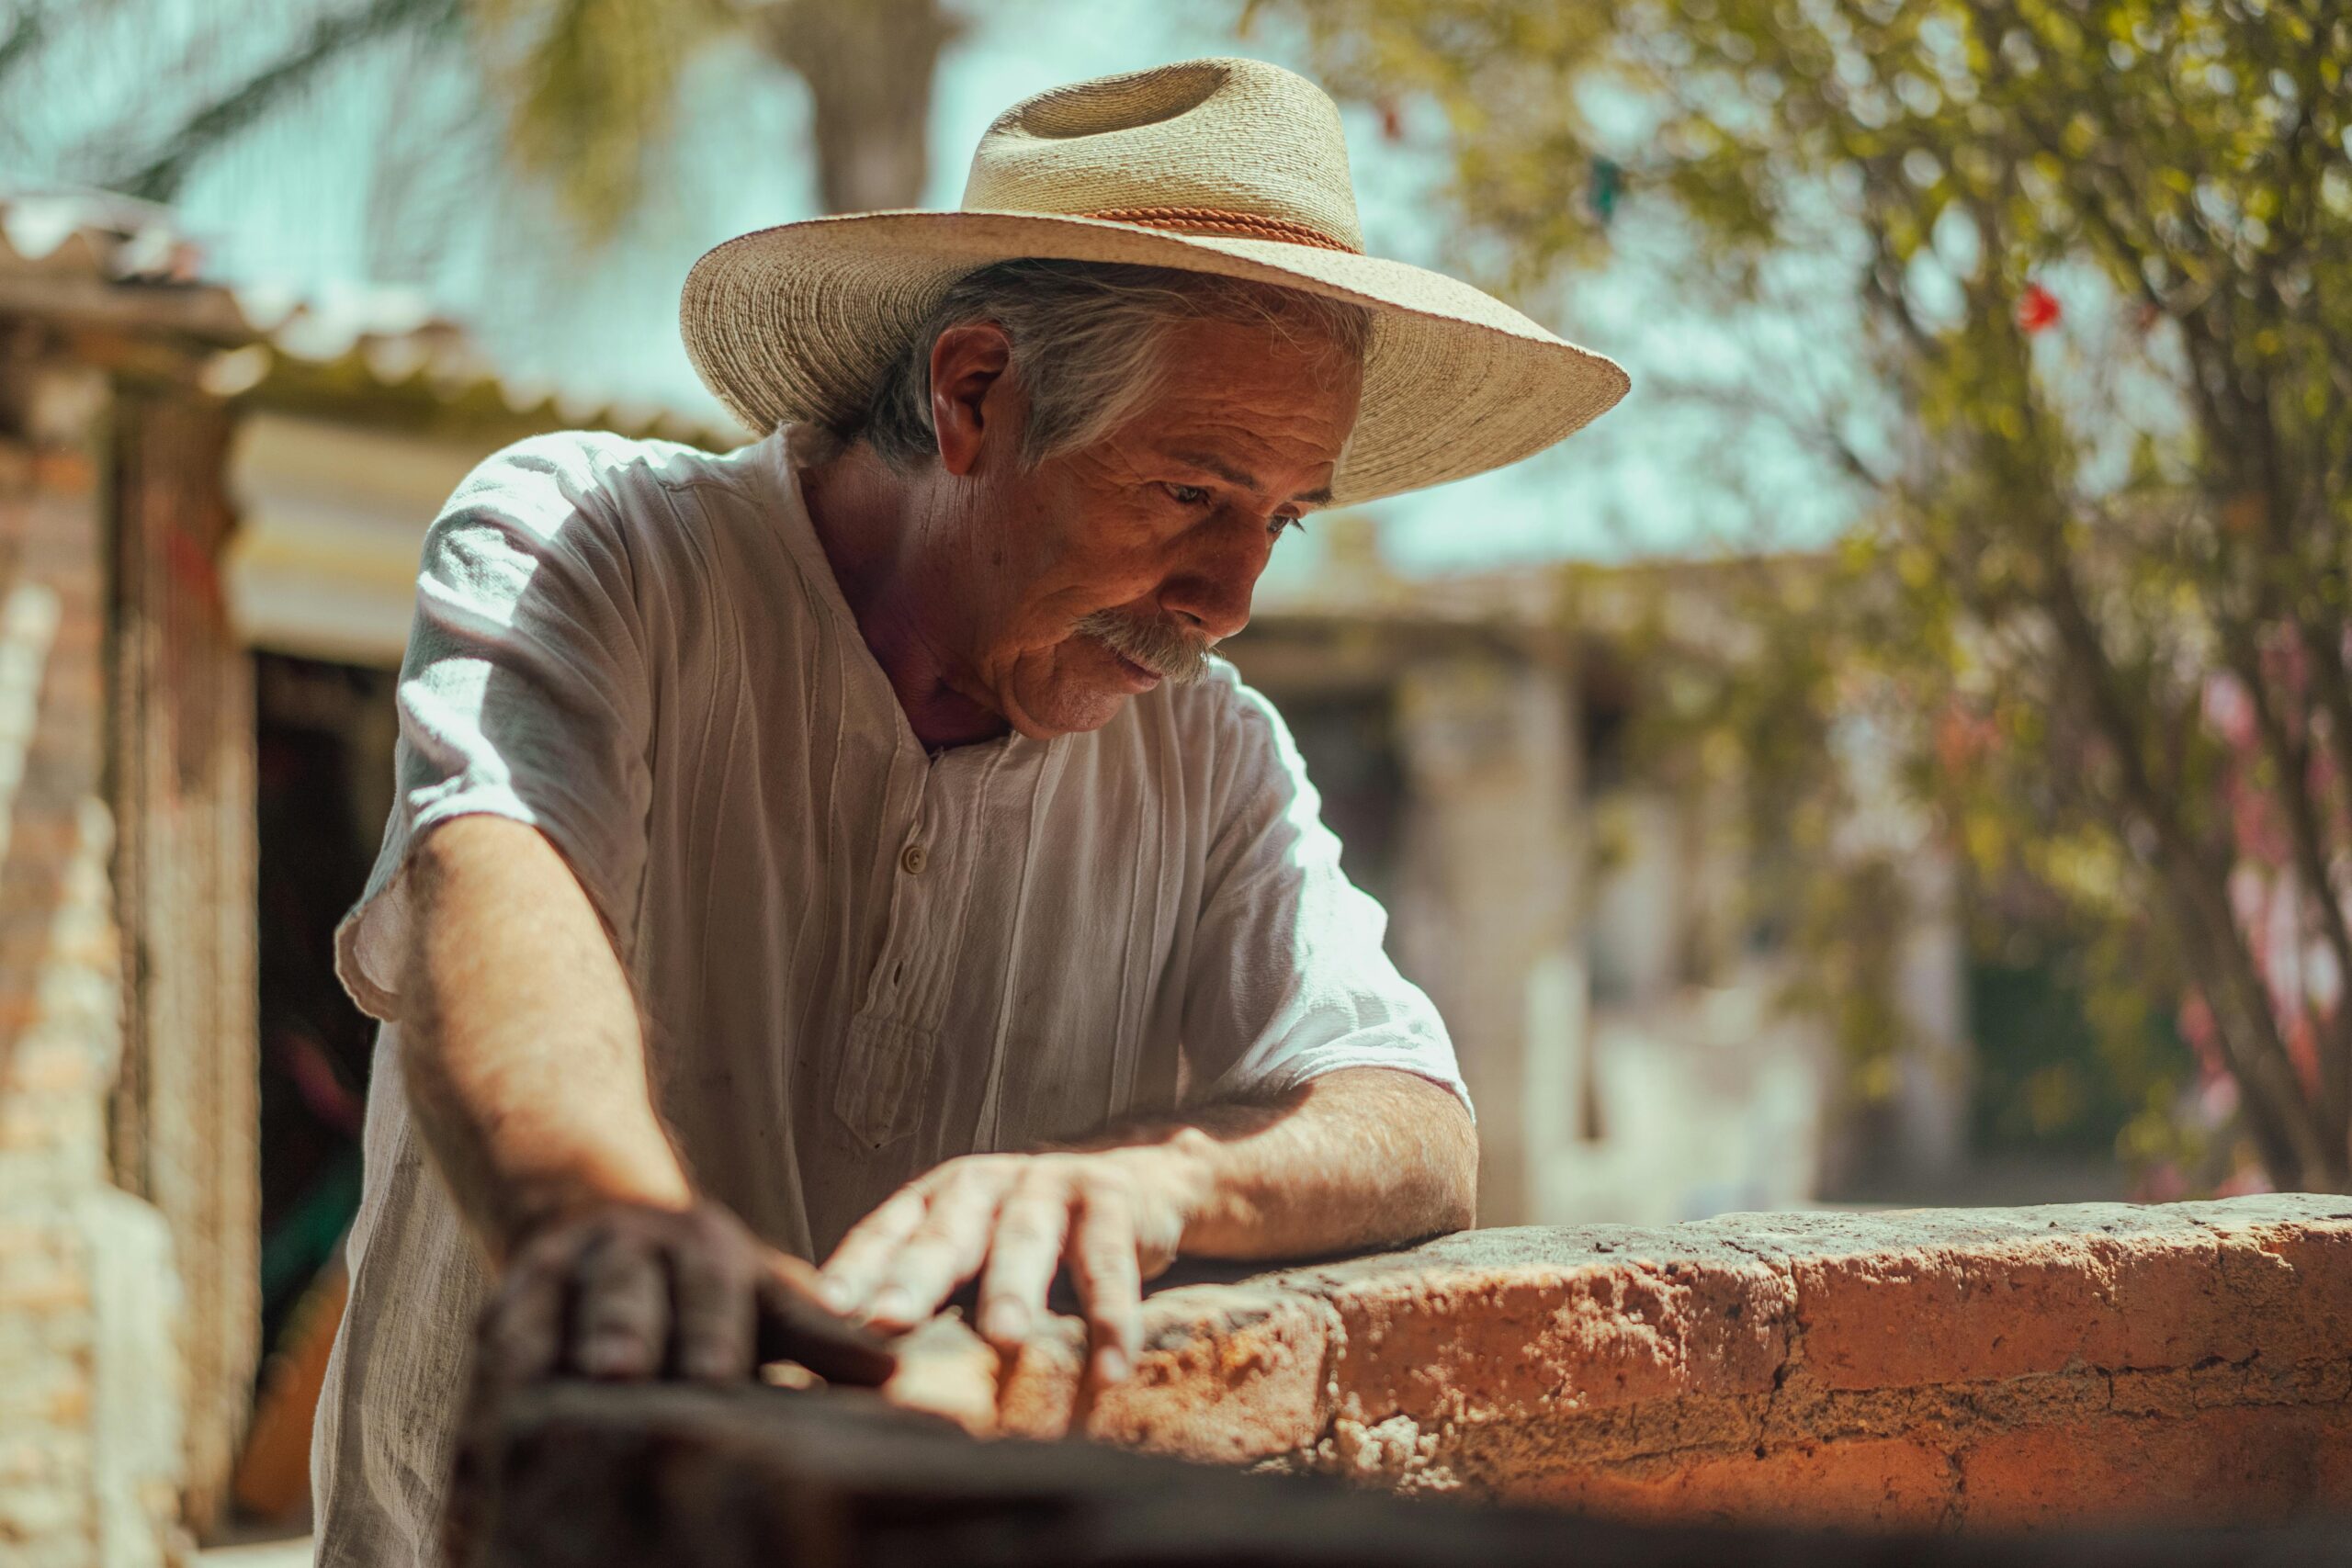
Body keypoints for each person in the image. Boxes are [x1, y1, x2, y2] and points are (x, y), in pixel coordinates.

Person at [310, 55, 1627, 1565]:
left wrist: (1152, 1177)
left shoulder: (1213, 760)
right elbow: (502, 898)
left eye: (1281, 519)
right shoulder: (585, 547)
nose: (1233, 599)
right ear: (974, 393)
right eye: (1194, 495)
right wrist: (609, 1215)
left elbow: (1411, 1127)